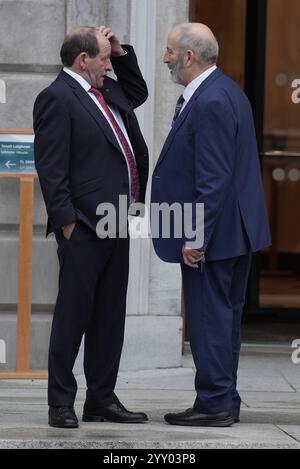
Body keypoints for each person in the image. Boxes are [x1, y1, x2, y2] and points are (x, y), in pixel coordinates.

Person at [151, 23, 271, 427]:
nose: (165, 57)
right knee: (221, 318)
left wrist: (196, 237)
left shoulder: (212, 100)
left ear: (189, 56)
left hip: (216, 238)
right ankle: (222, 398)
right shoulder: (224, 91)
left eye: (169, 51)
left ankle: (214, 403)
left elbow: (214, 178)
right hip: (233, 234)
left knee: (208, 319)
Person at [33, 26, 149, 428]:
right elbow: (50, 167)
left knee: (109, 315)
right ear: (83, 60)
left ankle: (101, 398)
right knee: (73, 315)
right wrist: (67, 223)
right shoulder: (56, 98)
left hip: (122, 222)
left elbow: (139, 91)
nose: (108, 65)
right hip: (83, 227)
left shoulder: (110, 92)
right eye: (103, 58)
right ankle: (60, 402)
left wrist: (120, 51)